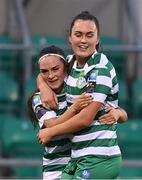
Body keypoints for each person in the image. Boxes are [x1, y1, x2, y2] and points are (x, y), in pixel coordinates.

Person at [37, 11, 128, 179]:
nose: (83, 40)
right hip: (79, 157)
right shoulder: (70, 63)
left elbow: (85, 119)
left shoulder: (100, 69)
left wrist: (51, 132)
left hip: (99, 157)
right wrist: (43, 86)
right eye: (78, 35)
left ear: (98, 38)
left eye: (89, 35)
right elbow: (48, 70)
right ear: (70, 37)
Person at [28, 45, 94, 180]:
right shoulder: (38, 98)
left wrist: (119, 113)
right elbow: (52, 126)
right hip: (56, 168)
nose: (51, 76)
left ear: (65, 67)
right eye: (44, 72)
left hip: (83, 163)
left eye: (55, 69)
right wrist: (74, 109)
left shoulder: (76, 85)